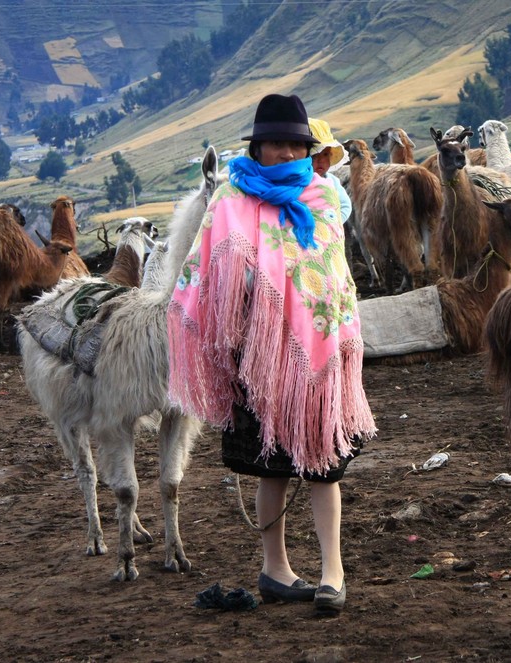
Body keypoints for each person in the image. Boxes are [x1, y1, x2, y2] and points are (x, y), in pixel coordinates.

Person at [166, 93, 375, 616]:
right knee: (272, 469)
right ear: (256, 148)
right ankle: (275, 570)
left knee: (324, 468)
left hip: (314, 364)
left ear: (306, 149)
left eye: (292, 144)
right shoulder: (229, 203)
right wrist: (239, 332)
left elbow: (331, 280)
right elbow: (206, 275)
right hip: (254, 362)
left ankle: (332, 573)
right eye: (274, 143)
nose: (283, 152)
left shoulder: (322, 197)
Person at [308, 117, 352, 224]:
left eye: (326, 154)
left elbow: (345, 206)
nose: (321, 161)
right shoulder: (299, 182)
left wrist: (334, 224)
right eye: (314, 155)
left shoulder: (333, 182)